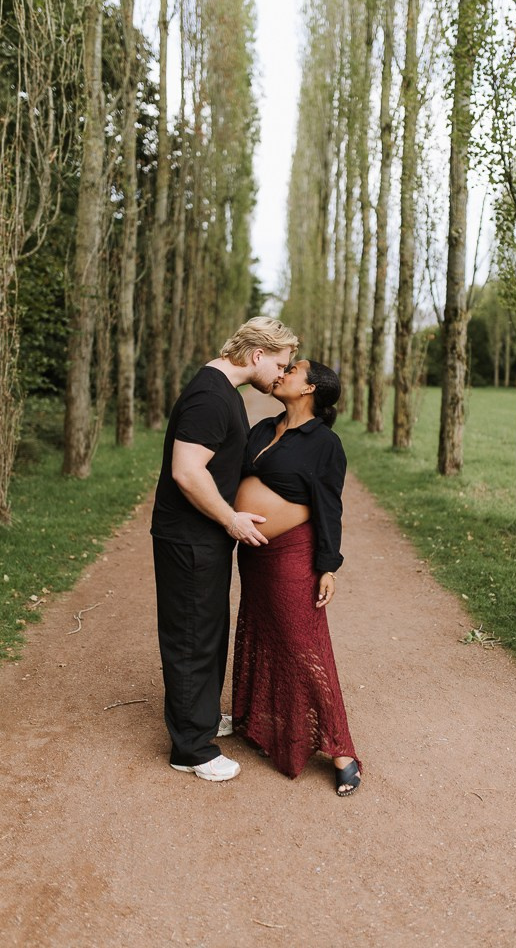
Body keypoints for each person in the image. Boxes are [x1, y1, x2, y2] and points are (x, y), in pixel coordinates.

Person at [150, 317, 299, 782]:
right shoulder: (210, 396)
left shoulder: (221, 391)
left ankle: (201, 718)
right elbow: (187, 471)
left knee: (208, 628)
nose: (281, 374)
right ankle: (191, 749)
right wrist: (230, 518)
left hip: (202, 538)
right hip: (189, 538)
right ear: (257, 355)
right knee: (192, 636)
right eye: (280, 363)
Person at [232, 359, 362, 796]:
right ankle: (264, 725)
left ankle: (342, 749)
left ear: (310, 389)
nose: (283, 372)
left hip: (294, 555)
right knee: (263, 634)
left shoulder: (325, 443)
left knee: (302, 644)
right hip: (255, 558)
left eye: (293, 369)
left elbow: (329, 506)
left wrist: (328, 566)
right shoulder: (263, 428)